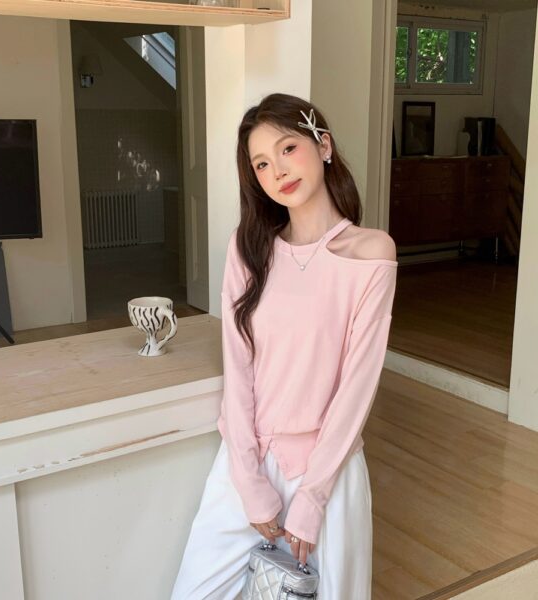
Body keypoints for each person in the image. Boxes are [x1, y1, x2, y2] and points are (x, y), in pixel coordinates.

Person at [170, 92, 398, 599]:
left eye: (288, 148)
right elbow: (238, 369)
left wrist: (312, 499)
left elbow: (356, 388)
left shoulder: (371, 253)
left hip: (328, 474)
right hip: (249, 465)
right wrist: (248, 480)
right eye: (261, 164)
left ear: (324, 146)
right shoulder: (248, 248)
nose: (278, 171)